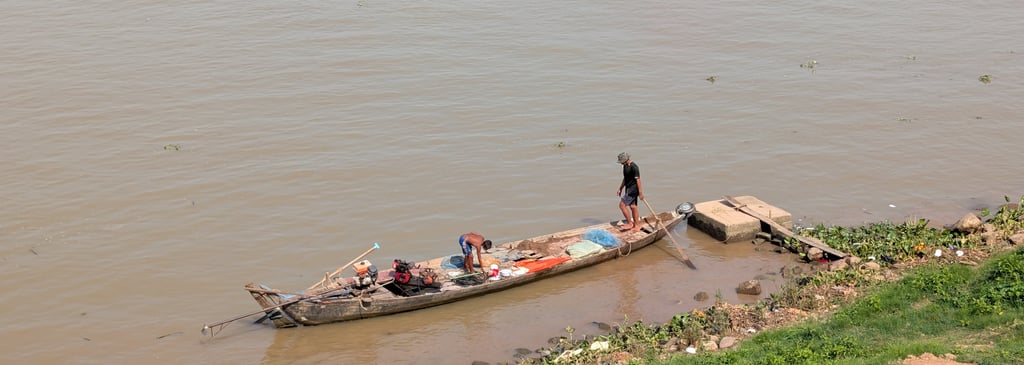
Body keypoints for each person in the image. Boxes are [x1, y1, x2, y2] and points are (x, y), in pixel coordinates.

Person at [616, 152, 644, 231]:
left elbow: (638, 180)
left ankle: (630, 223)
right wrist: (620, 188)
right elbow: (625, 178)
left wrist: (640, 193)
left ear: (626, 160)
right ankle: (637, 225)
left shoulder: (634, 167)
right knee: (633, 207)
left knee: (622, 205)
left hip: (633, 190)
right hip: (628, 189)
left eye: (622, 161)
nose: (621, 163)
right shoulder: (625, 167)